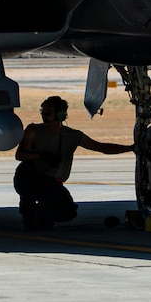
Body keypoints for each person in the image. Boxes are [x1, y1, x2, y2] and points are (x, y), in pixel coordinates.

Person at [13, 96, 133, 229]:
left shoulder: (72, 136)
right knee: (26, 171)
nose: (44, 116)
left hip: (53, 182)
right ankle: (28, 216)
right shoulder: (33, 130)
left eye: (48, 113)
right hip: (33, 179)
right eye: (43, 112)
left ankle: (44, 215)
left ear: (60, 115)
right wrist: (41, 156)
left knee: (67, 213)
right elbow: (20, 155)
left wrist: (129, 148)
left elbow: (101, 147)